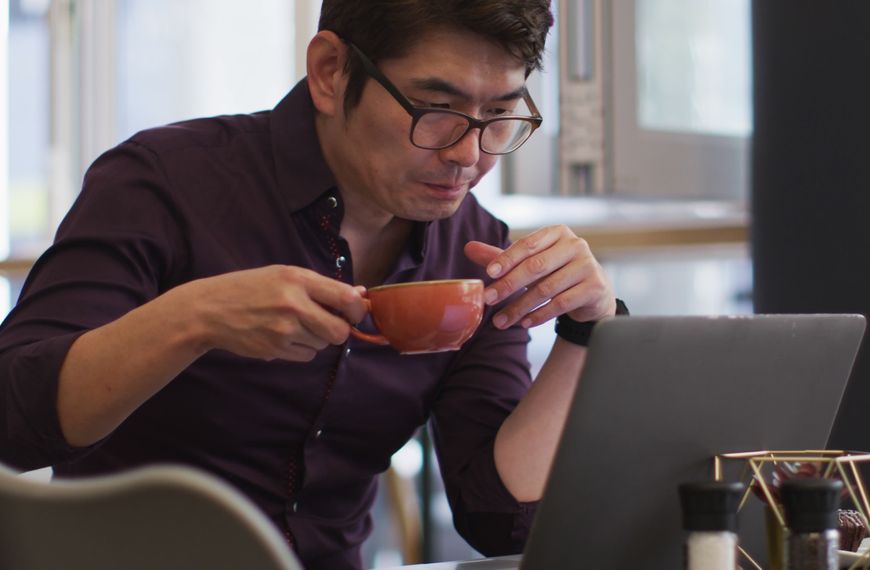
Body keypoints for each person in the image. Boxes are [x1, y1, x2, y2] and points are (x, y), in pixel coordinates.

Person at [0, 1, 624, 568]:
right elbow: (12, 425)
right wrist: (190, 320)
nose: (469, 155)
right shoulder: (165, 184)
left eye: (498, 114)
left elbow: (498, 519)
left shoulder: (473, 249)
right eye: (436, 110)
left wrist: (584, 330)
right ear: (330, 72)